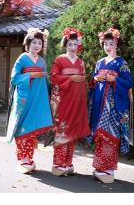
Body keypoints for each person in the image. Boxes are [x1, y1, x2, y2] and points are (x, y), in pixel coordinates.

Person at [88, 27, 133, 183]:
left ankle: (108, 170)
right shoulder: (100, 62)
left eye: (111, 43)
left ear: (116, 44)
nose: (108, 47)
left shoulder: (121, 63)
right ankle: (100, 167)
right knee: (100, 134)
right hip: (100, 103)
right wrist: (95, 80)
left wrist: (115, 80)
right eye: (106, 44)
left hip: (114, 105)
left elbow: (128, 82)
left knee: (111, 134)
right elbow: (93, 80)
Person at [6, 28, 53, 174]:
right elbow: (14, 78)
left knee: (32, 129)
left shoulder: (42, 61)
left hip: (37, 99)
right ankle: (22, 160)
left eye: (40, 42)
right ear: (28, 43)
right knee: (22, 128)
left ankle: (29, 159)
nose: (37, 45)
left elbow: (44, 83)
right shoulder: (22, 58)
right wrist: (30, 75)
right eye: (34, 42)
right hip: (24, 99)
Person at [50, 27, 90, 176]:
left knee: (72, 132)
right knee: (62, 130)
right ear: (65, 45)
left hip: (77, 100)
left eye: (75, 45)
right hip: (64, 101)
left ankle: (68, 163)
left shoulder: (81, 62)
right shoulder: (59, 60)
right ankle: (58, 163)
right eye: (69, 45)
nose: (73, 48)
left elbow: (83, 82)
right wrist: (70, 78)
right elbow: (53, 78)